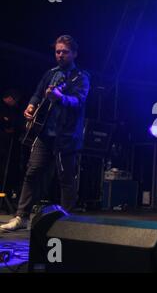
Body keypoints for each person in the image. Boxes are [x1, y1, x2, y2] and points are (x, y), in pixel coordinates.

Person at [0, 35, 90, 231]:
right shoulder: (50, 73)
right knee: (32, 173)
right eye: (57, 51)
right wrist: (31, 106)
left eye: (64, 52)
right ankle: (21, 217)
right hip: (44, 134)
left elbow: (78, 102)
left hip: (65, 137)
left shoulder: (81, 77)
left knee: (65, 180)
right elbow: (37, 92)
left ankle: (66, 223)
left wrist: (60, 97)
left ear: (74, 53)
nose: (60, 55)